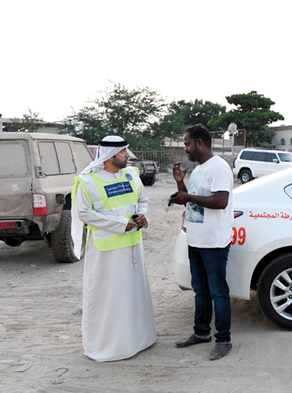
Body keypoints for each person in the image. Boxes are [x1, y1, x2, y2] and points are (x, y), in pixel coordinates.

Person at [70, 135, 156, 362]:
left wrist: (143, 215)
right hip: (106, 251)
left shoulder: (131, 174)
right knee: (110, 299)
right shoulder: (87, 181)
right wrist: (119, 225)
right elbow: (84, 213)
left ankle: (139, 340)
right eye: (123, 152)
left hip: (132, 247)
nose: (128, 156)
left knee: (133, 295)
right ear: (109, 156)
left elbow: (143, 200)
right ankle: (110, 346)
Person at [170, 124, 234, 361]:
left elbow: (220, 201)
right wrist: (180, 185)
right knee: (200, 290)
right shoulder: (199, 169)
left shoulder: (218, 167)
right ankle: (201, 333)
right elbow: (193, 202)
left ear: (199, 143)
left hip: (214, 242)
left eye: (187, 143)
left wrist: (187, 196)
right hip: (196, 239)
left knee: (218, 292)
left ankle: (224, 340)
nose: (185, 148)